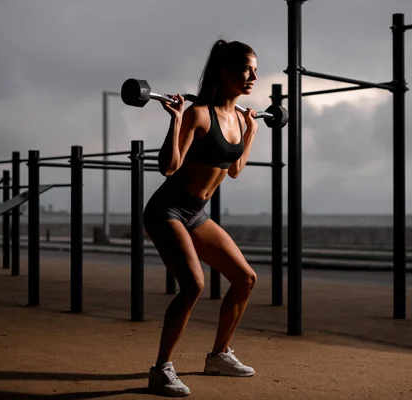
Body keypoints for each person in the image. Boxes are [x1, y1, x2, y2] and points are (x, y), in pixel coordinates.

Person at [143, 39, 260, 397]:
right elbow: (169, 167)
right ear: (225, 72)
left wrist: (252, 132)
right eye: (246, 69)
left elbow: (236, 169)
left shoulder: (241, 119)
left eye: (255, 68)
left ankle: (219, 355)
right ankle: (161, 368)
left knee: (245, 278)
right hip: (167, 210)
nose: (253, 76)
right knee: (193, 285)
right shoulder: (198, 114)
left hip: (196, 214)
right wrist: (176, 121)